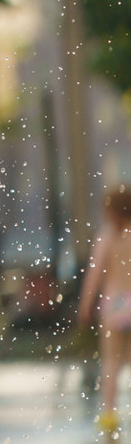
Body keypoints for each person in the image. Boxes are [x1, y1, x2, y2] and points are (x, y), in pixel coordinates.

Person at [79, 185, 131, 440]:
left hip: (114, 308)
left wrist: (85, 305)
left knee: (111, 362)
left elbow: (94, 275)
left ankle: (109, 415)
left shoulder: (106, 237)